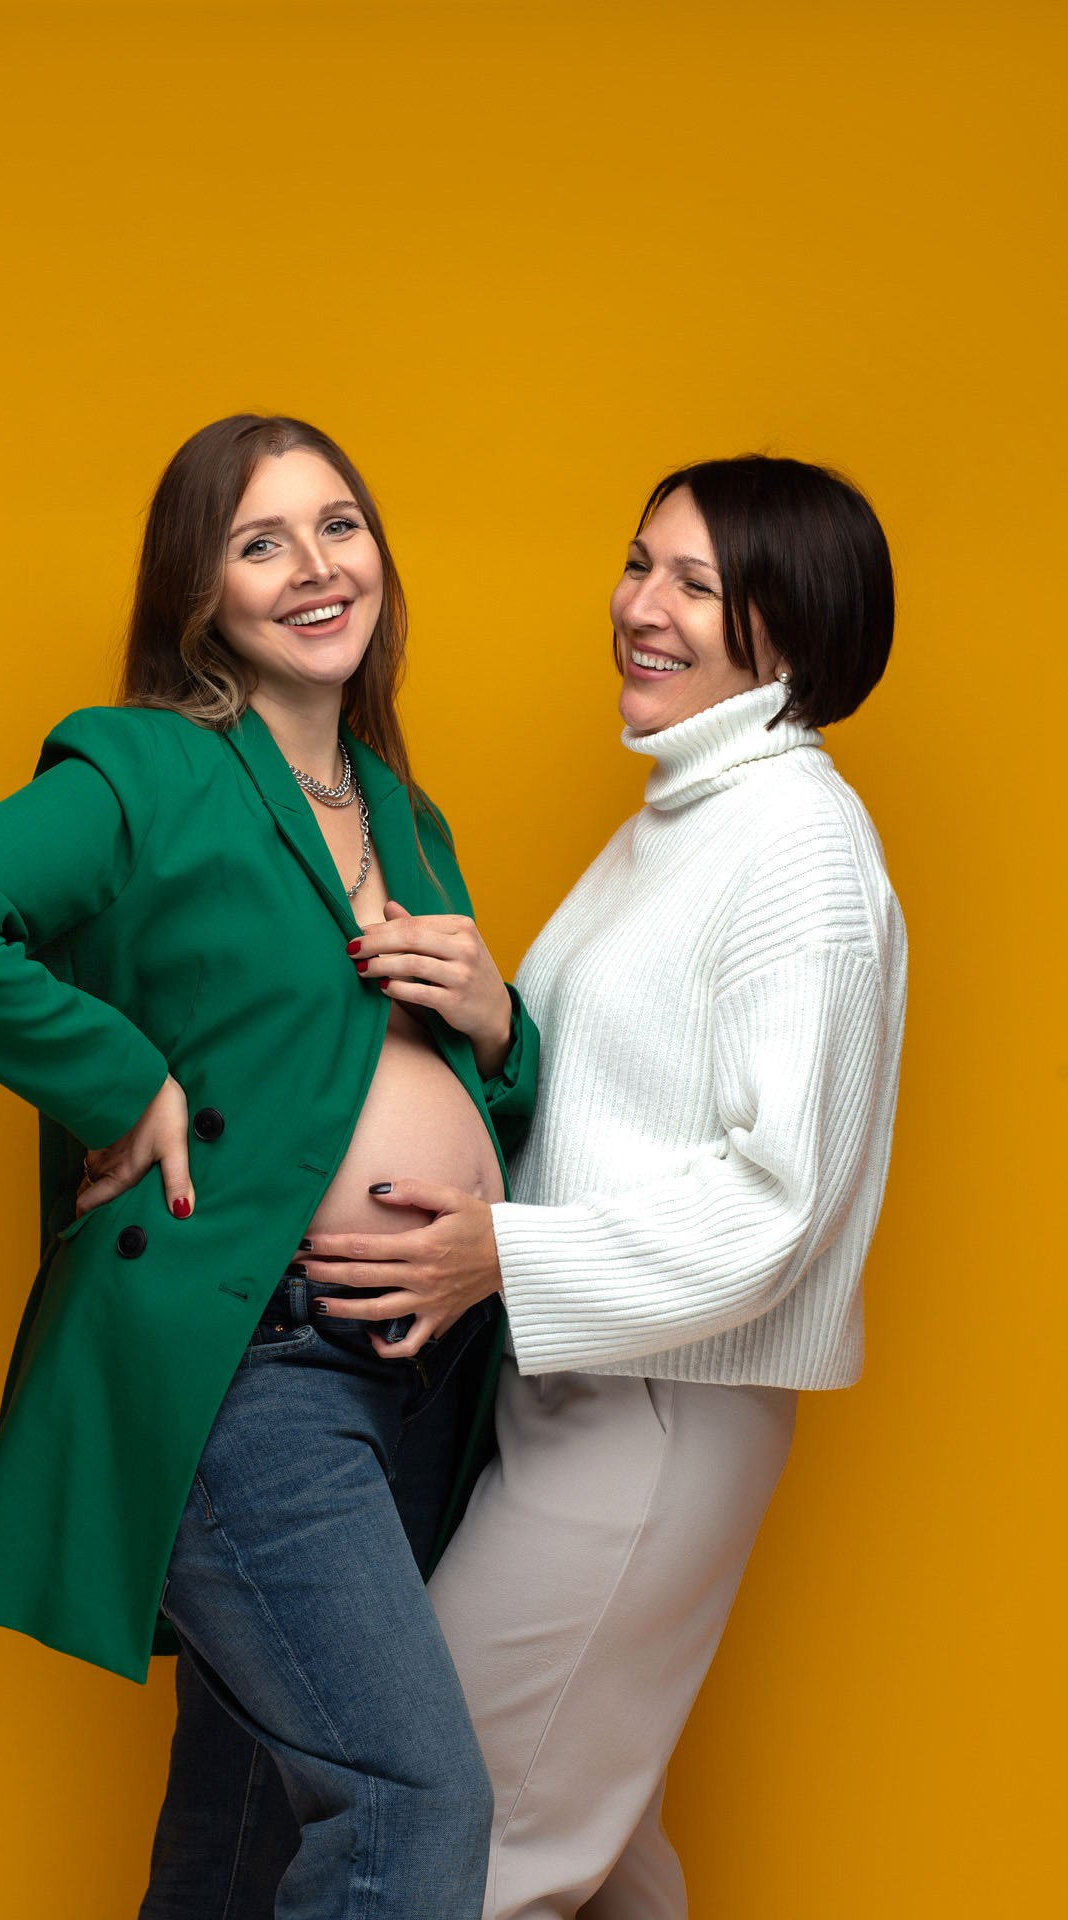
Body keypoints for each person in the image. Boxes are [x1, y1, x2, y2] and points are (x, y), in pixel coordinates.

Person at [0, 414, 539, 1920]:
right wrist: (124, 1080)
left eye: (340, 525)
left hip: (418, 1374)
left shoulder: (403, 812)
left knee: (245, 1832)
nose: (317, 568)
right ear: (200, 592)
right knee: (413, 1802)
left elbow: (445, 1084)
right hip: (253, 1365)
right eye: (260, 542)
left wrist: (499, 1025)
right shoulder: (148, 768)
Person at [303, 455, 907, 1917]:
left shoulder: (801, 850)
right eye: (641, 564)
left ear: (793, 627)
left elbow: (780, 1201)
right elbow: (631, 1099)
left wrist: (499, 1255)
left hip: (656, 1413)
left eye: (696, 585)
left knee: (459, 1848)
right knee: (590, 1842)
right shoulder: (685, 815)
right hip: (585, 1391)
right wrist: (496, 1024)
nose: (641, 606)